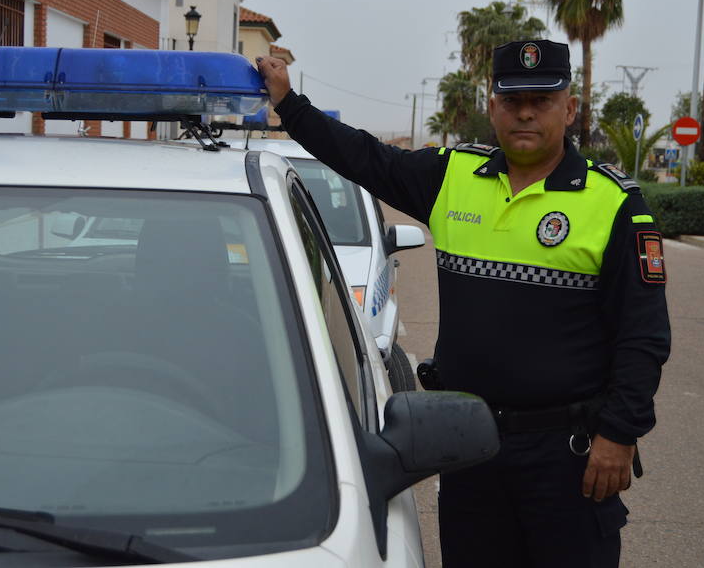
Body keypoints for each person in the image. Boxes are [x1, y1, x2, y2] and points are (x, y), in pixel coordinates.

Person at [257, 39, 670, 567]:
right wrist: (291, 105)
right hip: (471, 447)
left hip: (568, 456)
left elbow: (644, 334)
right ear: (491, 105)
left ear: (569, 109)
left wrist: (619, 434)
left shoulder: (612, 203)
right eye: (512, 98)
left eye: (542, 100)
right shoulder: (453, 177)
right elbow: (364, 157)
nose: (525, 111)